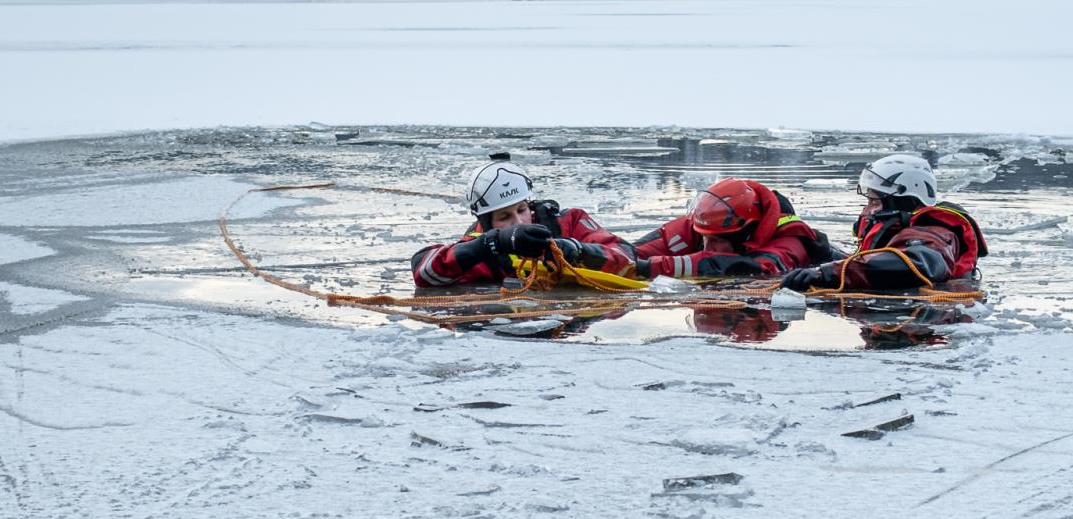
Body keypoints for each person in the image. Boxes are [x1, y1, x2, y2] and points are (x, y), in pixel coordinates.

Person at [411, 156, 641, 287]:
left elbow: (627, 257)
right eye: (504, 217)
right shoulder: (481, 248)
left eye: (522, 210)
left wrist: (576, 249)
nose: (519, 222)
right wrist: (494, 244)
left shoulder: (568, 222)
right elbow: (424, 271)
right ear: (487, 222)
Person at [780, 153, 987, 293]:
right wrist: (823, 250)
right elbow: (873, 262)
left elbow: (917, 265)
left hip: (918, 326)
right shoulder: (906, 229)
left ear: (902, 199)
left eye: (874, 201)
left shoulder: (935, 231)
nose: (867, 211)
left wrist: (826, 273)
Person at [634, 177, 834, 280]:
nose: (707, 248)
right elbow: (636, 252)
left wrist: (649, 268)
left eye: (717, 241)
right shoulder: (710, 223)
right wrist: (612, 257)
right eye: (705, 238)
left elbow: (757, 268)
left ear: (745, 235)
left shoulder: (791, 242)